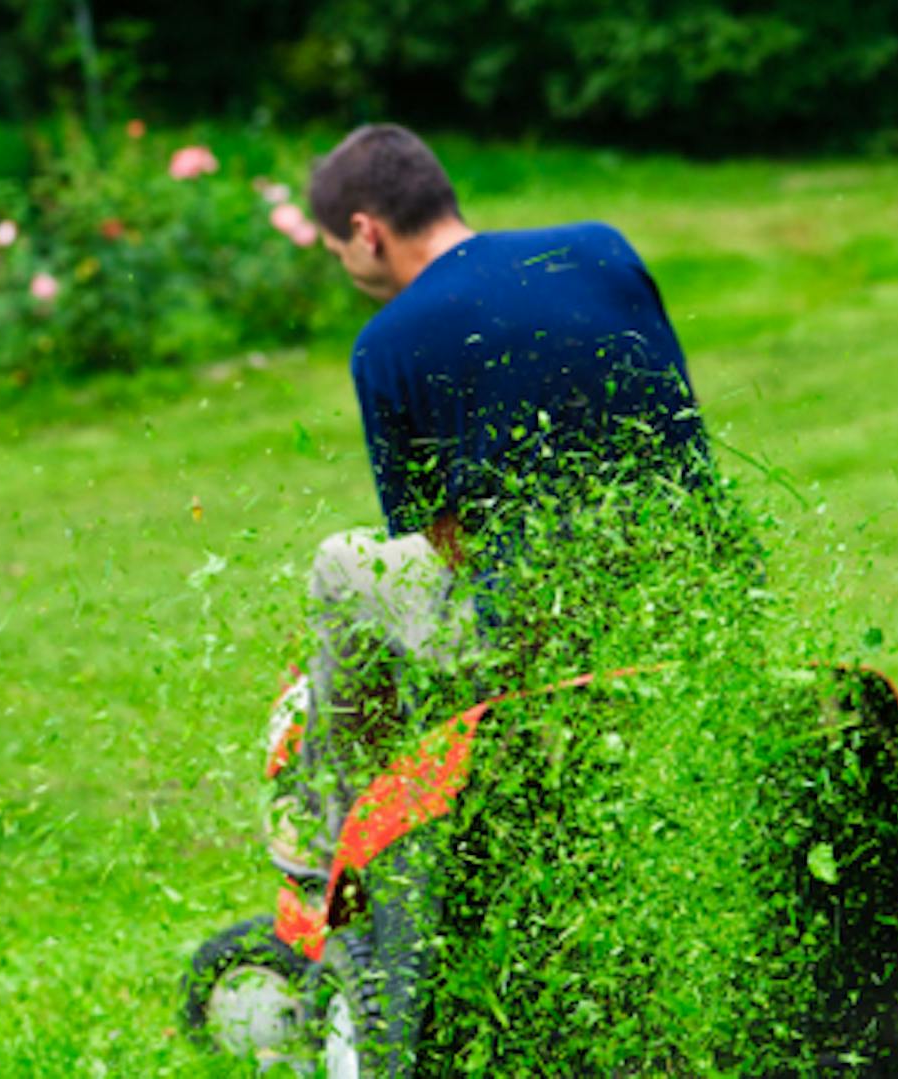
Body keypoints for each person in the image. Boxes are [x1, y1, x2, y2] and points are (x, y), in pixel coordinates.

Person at [269, 124, 709, 871]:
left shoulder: (387, 342)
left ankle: (348, 836)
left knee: (341, 564)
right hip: (695, 587)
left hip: (546, 636)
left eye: (337, 251)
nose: (346, 267)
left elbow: (450, 546)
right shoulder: (603, 248)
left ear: (365, 232)